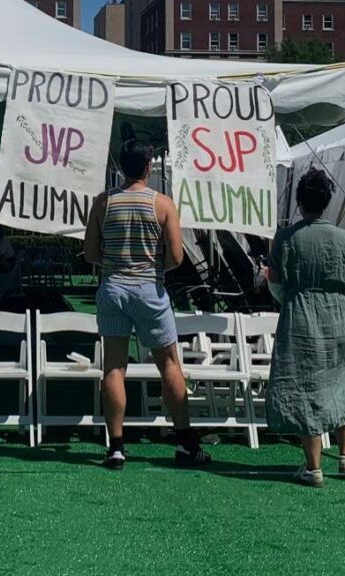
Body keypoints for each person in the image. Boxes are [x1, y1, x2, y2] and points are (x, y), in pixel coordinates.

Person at [84, 139, 210, 470]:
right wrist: (153, 267)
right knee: (168, 364)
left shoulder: (103, 202)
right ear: (148, 167)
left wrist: (115, 263)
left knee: (114, 367)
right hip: (149, 289)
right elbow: (176, 256)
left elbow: (90, 253)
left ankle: (116, 446)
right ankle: (184, 441)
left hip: (113, 288)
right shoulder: (163, 204)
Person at [265, 168, 345, 488]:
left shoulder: (286, 237)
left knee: (304, 387)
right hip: (336, 316)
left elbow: (274, 280)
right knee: (339, 383)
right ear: (326, 201)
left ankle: (313, 466)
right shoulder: (343, 238)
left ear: (300, 201)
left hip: (299, 315)